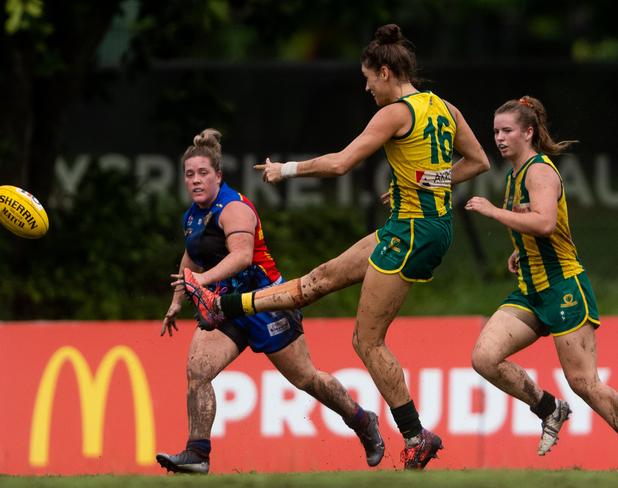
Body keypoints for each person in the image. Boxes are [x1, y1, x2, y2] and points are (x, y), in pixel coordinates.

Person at [176, 25, 490, 470]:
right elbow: (478, 162)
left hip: (413, 232)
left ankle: (417, 435)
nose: (366, 88)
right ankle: (223, 306)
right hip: (418, 225)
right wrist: (425, 181)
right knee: (319, 279)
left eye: (368, 78)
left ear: (385, 72)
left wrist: (286, 170)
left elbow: (341, 163)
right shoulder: (444, 107)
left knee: (366, 341)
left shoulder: (395, 112)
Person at [155, 128, 384, 475]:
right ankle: (197, 452)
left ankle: (362, 420)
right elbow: (191, 259)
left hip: (265, 303)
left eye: (203, 173)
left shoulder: (233, 209)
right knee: (197, 371)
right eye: (190, 174)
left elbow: (243, 256)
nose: (196, 180)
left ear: (218, 175)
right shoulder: (192, 217)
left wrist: (202, 281)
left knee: (307, 379)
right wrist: (177, 300)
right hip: (225, 306)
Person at [465, 95, 618, 455]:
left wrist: (493, 212)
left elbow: (546, 223)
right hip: (531, 290)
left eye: (507, 131)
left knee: (584, 383)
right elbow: (538, 224)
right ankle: (550, 408)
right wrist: (521, 249)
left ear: (528, 132)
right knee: (484, 358)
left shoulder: (539, 171)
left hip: (563, 288)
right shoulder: (516, 173)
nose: (499, 138)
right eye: (495, 132)